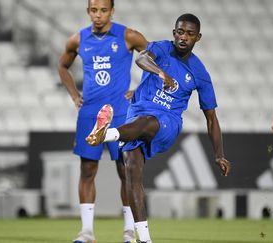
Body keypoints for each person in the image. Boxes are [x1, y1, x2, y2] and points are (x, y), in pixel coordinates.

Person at [86, 13, 231, 243]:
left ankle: (107, 134)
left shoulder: (200, 74)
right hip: (136, 114)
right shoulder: (161, 49)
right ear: (174, 33)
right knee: (132, 173)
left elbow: (211, 118)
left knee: (148, 123)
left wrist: (219, 155)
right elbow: (141, 59)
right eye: (180, 32)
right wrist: (161, 73)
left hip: (167, 122)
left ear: (198, 37)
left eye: (190, 34)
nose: (184, 37)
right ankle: (144, 239)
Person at [57, 0, 147, 242]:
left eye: (103, 10)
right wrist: (75, 95)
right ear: (88, 11)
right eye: (94, 10)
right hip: (90, 114)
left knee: (125, 171)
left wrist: (139, 91)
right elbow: (63, 66)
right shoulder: (78, 39)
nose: (98, 15)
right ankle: (86, 231)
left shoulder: (128, 36)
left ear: (112, 11)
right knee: (87, 169)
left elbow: (155, 60)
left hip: (120, 115)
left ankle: (129, 232)